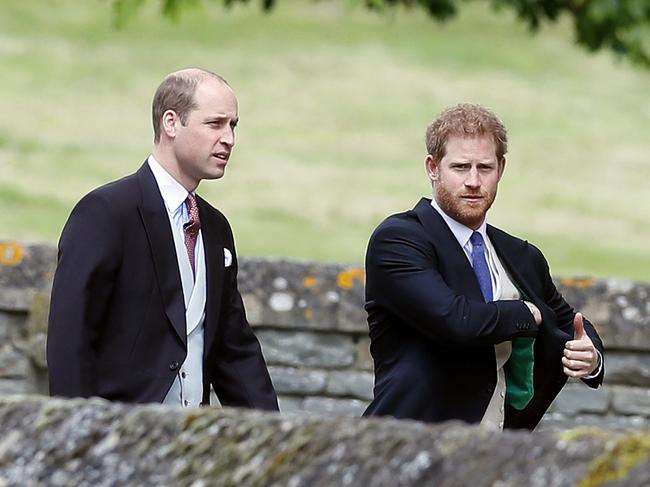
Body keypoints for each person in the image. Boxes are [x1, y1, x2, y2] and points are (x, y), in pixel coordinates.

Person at [47, 68, 278, 411]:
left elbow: (235, 350)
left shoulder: (215, 228)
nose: (229, 138)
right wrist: (77, 440)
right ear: (171, 123)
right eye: (215, 124)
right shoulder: (106, 213)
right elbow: (71, 339)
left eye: (233, 125)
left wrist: (273, 440)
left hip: (188, 446)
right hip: (113, 441)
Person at [363, 103, 604, 430]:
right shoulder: (399, 240)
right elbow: (456, 321)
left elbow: (568, 321)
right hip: (408, 443)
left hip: (499, 449)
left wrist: (590, 357)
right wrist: (527, 314)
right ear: (433, 168)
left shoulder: (521, 255)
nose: (474, 181)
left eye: (485, 168)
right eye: (461, 167)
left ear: (501, 169)